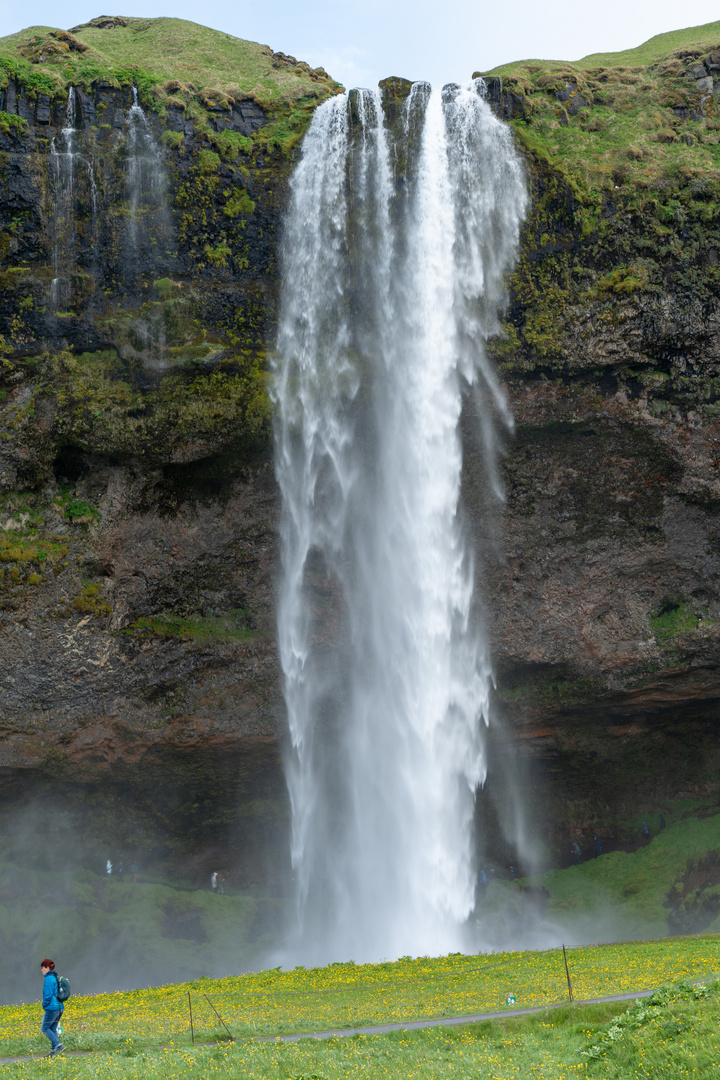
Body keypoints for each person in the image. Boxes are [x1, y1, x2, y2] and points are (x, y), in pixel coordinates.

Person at [40, 959, 65, 1056]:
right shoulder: (55, 977)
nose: (42, 970)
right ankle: (54, 1051)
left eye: (43, 968)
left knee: (45, 1028)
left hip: (52, 1008)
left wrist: (44, 1005)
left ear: (47, 968)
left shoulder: (48, 979)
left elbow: (48, 995)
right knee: (53, 1028)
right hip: (59, 1007)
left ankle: (59, 1045)